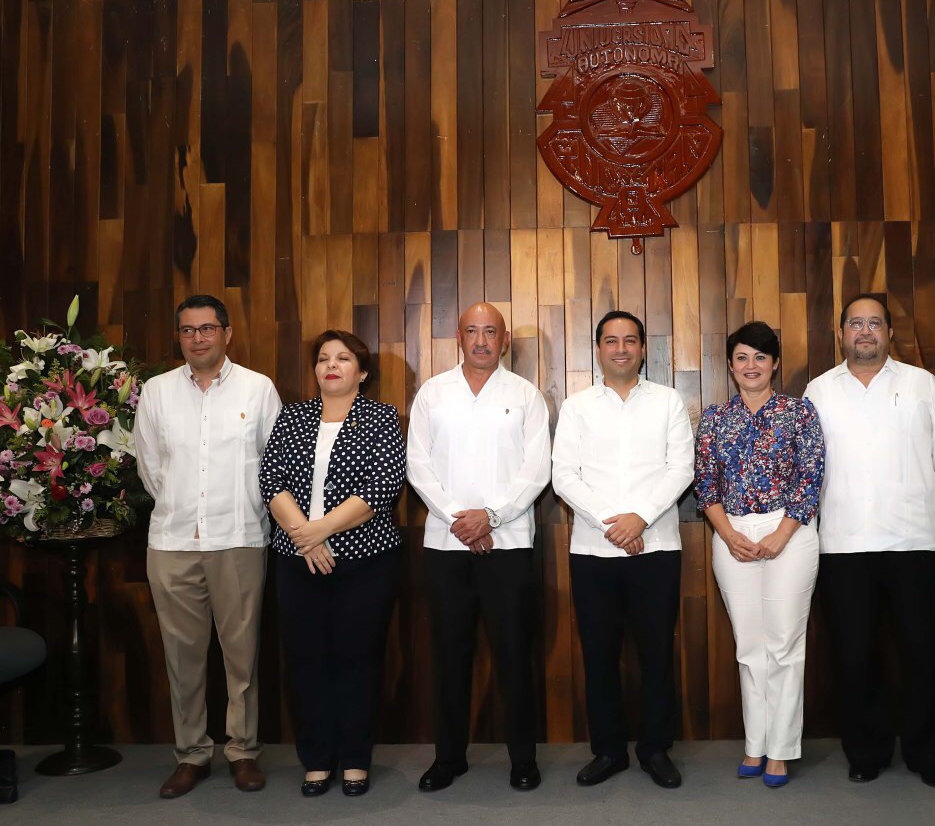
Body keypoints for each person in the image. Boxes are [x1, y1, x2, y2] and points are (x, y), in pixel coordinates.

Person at [803, 293, 935, 789]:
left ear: (889, 333)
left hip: (916, 541)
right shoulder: (817, 391)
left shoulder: (921, 385)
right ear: (841, 333)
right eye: (856, 323)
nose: (865, 332)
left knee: (924, 653)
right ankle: (866, 751)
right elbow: (806, 471)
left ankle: (927, 754)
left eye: (874, 323)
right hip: (842, 545)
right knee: (855, 657)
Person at [134, 294, 281, 798]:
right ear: (179, 337)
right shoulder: (155, 392)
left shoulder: (258, 389)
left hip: (237, 539)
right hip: (172, 542)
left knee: (241, 658)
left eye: (207, 328)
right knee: (182, 657)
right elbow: (150, 467)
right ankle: (192, 754)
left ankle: (242, 752)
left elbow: (273, 466)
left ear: (227, 333)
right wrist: (181, 509)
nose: (197, 338)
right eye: (188, 330)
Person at [406, 302, 551, 793]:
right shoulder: (433, 393)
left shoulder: (526, 395)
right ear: (458, 336)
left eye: (491, 331)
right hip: (446, 546)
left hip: (508, 545)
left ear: (504, 340)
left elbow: (537, 469)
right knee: (449, 656)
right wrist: (458, 519)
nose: (482, 340)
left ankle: (523, 760)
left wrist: (490, 516)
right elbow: (418, 466)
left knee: (513, 655)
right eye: (473, 331)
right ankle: (448, 759)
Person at [259, 330, 406, 798]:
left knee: (356, 660)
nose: (331, 366)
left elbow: (381, 488)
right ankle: (318, 759)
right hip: (296, 561)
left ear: (362, 372)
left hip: (364, 561)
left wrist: (318, 531)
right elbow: (271, 479)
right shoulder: (292, 417)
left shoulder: (381, 419)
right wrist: (304, 537)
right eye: (323, 359)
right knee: (305, 662)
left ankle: (356, 760)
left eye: (343, 358)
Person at [551, 310, 694, 789]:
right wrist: (611, 523)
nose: (620, 349)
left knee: (657, 654)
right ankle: (609, 751)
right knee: (599, 655)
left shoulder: (669, 402)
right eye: (611, 341)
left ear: (641, 348)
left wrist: (640, 518)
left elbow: (681, 469)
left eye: (630, 340)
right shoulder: (577, 406)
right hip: (593, 551)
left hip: (656, 547)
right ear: (598, 348)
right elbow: (564, 475)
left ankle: (655, 749)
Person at [694, 321, 824, 788]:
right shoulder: (714, 418)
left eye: (761, 358)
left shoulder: (800, 412)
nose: (752, 366)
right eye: (742, 358)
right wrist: (728, 535)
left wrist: (782, 533)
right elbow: (705, 485)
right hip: (733, 535)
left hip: (789, 532)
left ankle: (781, 752)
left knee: (785, 645)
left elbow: (810, 478)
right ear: (730, 366)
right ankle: (756, 744)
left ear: (775, 364)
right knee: (749, 647)